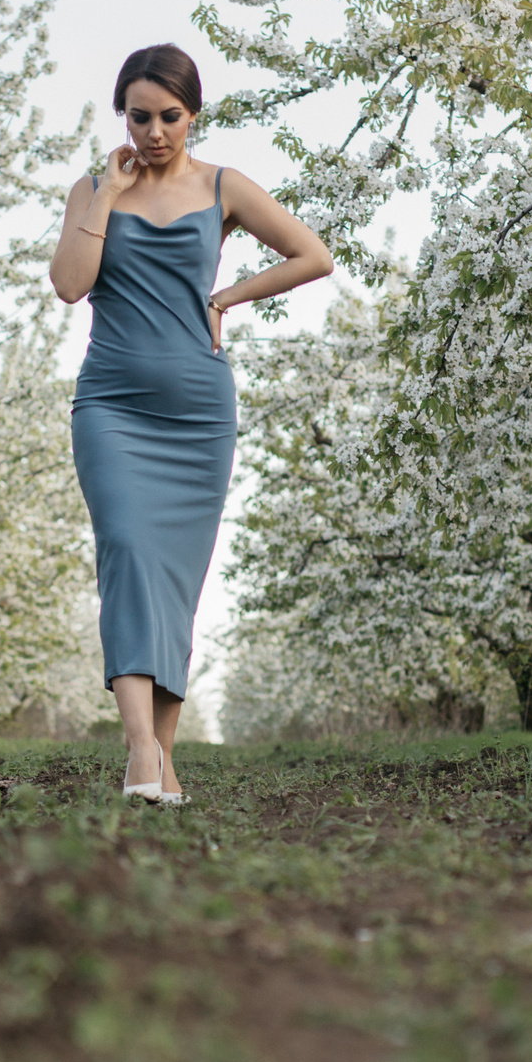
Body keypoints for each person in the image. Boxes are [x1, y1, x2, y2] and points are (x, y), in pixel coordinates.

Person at [49, 44, 333, 802]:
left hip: (198, 415)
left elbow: (314, 255)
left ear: (193, 114)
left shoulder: (222, 187)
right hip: (111, 407)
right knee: (128, 554)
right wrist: (106, 196)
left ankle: (161, 764)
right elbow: (71, 286)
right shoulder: (92, 188)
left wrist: (227, 297)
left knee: (175, 584)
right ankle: (142, 750)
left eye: (169, 116)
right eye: (139, 116)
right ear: (123, 117)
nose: (153, 131)